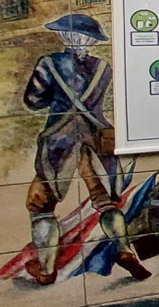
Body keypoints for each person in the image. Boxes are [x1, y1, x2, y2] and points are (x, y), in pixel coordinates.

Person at [23, 15, 150, 285]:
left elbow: (33, 101)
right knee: (106, 202)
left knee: (41, 205)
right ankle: (125, 252)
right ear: (91, 40)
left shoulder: (49, 63)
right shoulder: (103, 68)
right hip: (95, 139)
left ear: (64, 37)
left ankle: (46, 270)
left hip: (61, 141)